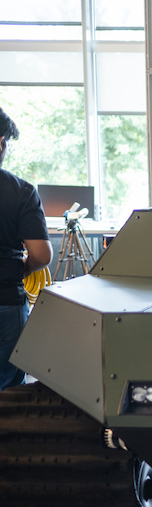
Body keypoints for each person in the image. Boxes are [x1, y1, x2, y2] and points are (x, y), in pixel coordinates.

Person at [0, 107, 51, 390]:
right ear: (0, 142)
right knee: (8, 394)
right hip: (5, 300)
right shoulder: (21, 191)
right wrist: (20, 268)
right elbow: (42, 255)